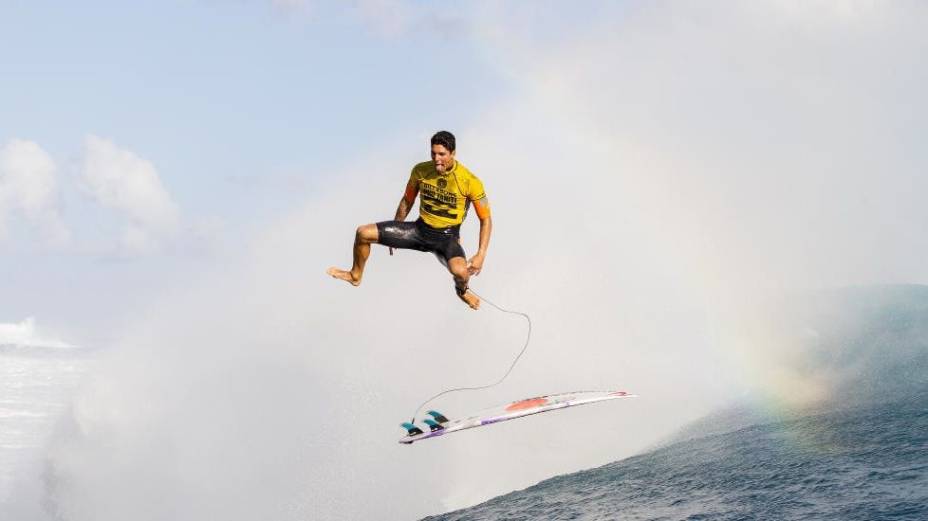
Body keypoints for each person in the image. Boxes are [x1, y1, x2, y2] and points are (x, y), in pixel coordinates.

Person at [327, 130, 492, 310]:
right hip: (419, 231)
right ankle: (355, 275)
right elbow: (408, 200)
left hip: (447, 238)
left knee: (460, 272)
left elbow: (486, 220)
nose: (437, 159)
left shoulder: (471, 181)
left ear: (453, 153)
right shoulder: (420, 170)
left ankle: (462, 291)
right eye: (433, 153)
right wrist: (396, 229)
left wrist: (481, 254)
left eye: (442, 154)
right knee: (363, 233)